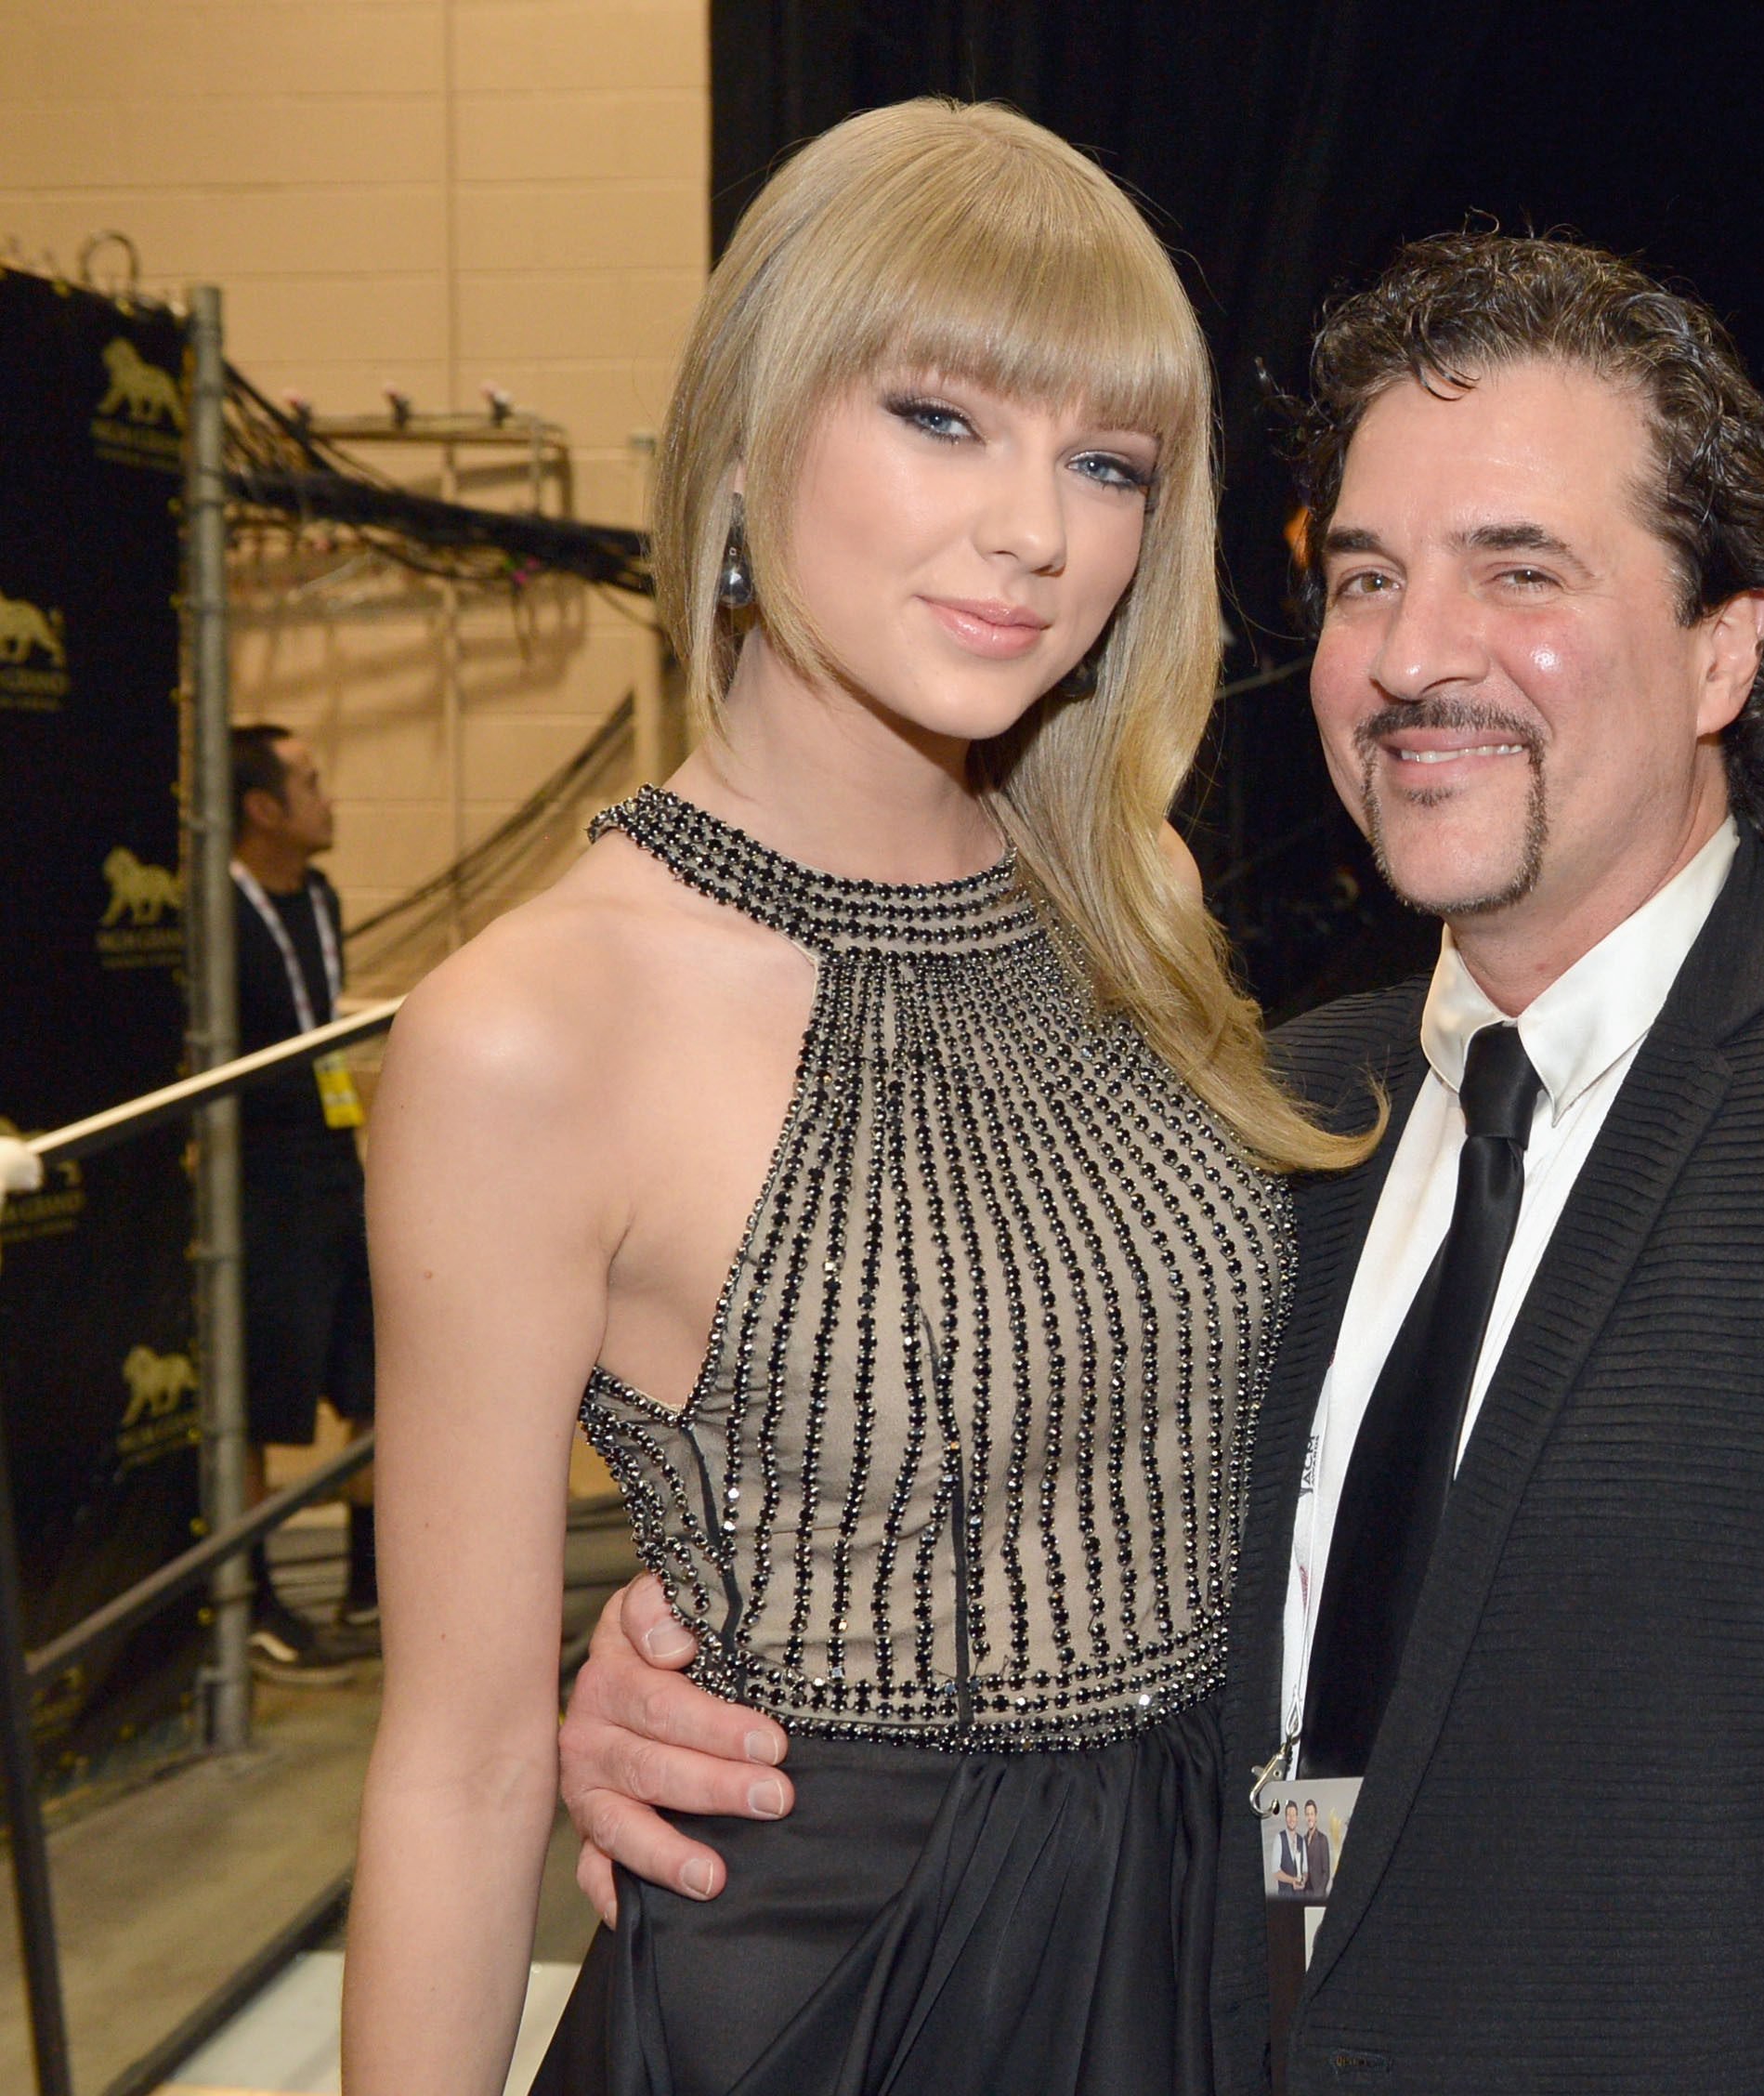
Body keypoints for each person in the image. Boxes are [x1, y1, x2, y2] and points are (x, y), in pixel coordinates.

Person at [560, 233, 1764, 2092]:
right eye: (1366, 578)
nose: (1414, 657)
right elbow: (1207, 1727)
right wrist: (714, 1696)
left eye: (1518, 572)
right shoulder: (1265, 1117)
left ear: (1720, 644)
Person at [343, 100, 1367, 2096]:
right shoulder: (531, 1034)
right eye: (939, 418)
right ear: (743, 438)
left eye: (1104, 461)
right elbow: (458, 1769)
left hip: (1194, 1931)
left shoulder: (1129, 896)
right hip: (839, 1995)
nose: (1035, 531)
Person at [229, 723, 379, 1681]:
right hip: (258, 1179)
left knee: (375, 1383)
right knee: (261, 1399)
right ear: (262, 808)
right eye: (310, 784)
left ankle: (370, 1585)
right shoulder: (220, 912)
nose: (329, 801)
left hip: (335, 1167)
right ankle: (252, 1600)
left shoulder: (318, 897)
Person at [1270, 1802, 1305, 1899]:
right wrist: (1292, 1880)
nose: (1291, 1818)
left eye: (1293, 1815)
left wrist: (1303, 1880)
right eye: (1289, 1815)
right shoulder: (1279, 1838)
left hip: (1300, 1897)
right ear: (1285, 1818)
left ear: (1297, 1817)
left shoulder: (1302, 1841)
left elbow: (1305, 1870)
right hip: (1284, 1898)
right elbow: (1276, 1871)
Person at [1298, 1800, 1330, 1901]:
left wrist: (1319, 1894)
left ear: (1316, 1816)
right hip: (1305, 1893)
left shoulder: (1322, 1839)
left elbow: (1326, 1872)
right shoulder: (1302, 1840)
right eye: (1307, 1814)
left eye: (1312, 1814)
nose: (1309, 1817)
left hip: (1318, 1894)